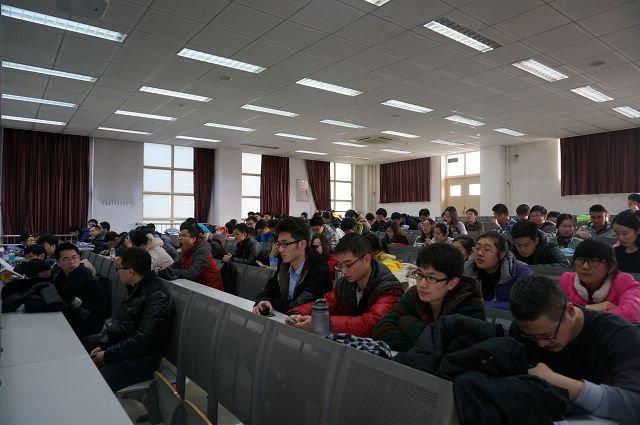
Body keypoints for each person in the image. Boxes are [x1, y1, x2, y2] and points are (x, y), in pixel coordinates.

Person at [509, 276, 640, 425]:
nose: (541, 344)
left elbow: (635, 405)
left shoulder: (619, 336)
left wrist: (556, 381)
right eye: (533, 337)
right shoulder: (521, 332)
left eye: (548, 336)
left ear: (570, 311)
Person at [89, 248, 175, 391]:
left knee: (94, 382)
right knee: (83, 353)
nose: (117, 272)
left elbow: (143, 340)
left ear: (130, 272)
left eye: (119, 268)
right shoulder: (135, 287)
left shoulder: (156, 296)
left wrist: (107, 355)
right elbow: (120, 325)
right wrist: (103, 345)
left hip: (141, 361)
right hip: (125, 351)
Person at [372, 244, 485, 351]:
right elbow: (381, 329)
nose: (422, 284)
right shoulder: (415, 294)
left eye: (431, 278)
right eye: (420, 274)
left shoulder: (471, 308)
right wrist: (421, 349)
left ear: (452, 282)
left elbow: (456, 353)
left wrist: (408, 323)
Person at [287, 233, 403, 338]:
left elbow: (370, 324)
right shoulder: (345, 283)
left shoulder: (390, 289)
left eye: (348, 265)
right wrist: (297, 314)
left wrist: (323, 323)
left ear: (367, 259)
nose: (344, 271)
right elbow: (328, 302)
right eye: (340, 265)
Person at [253, 219, 332, 314]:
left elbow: (298, 306)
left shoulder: (320, 269)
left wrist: (272, 302)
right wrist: (262, 301)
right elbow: (267, 290)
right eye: (279, 244)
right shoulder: (284, 263)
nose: (280, 249)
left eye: (285, 244)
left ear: (302, 245)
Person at [559, 239, 640, 323]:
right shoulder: (567, 280)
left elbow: (632, 313)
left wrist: (576, 313)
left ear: (611, 267)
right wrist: (588, 308)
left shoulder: (624, 282)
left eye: (594, 261)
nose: (585, 266)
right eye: (580, 260)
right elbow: (555, 311)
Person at [463, 231, 534, 310]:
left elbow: (522, 306)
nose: (480, 253)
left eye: (487, 249)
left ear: (502, 254)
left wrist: (481, 304)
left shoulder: (523, 274)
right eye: (477, 248)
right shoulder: (467, 270)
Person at [53, 242, 107, 337]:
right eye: (66, 259)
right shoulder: (62, 274)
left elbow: (64, 295)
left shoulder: (82, 273)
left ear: (79, 258)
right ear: (58, 262)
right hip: (78, 315)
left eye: (75, 257)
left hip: (90, 322)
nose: (72, 262)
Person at [172, 224, 223, 290]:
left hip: (211, 290)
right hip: (196, 287)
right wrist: (165, 269)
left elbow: (191, 274)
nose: (180, 238)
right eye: (179, 236)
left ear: (193, 239)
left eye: (183, 236)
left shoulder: (202, 251)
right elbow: (177, 265)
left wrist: (169, 272)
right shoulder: (187, 249)